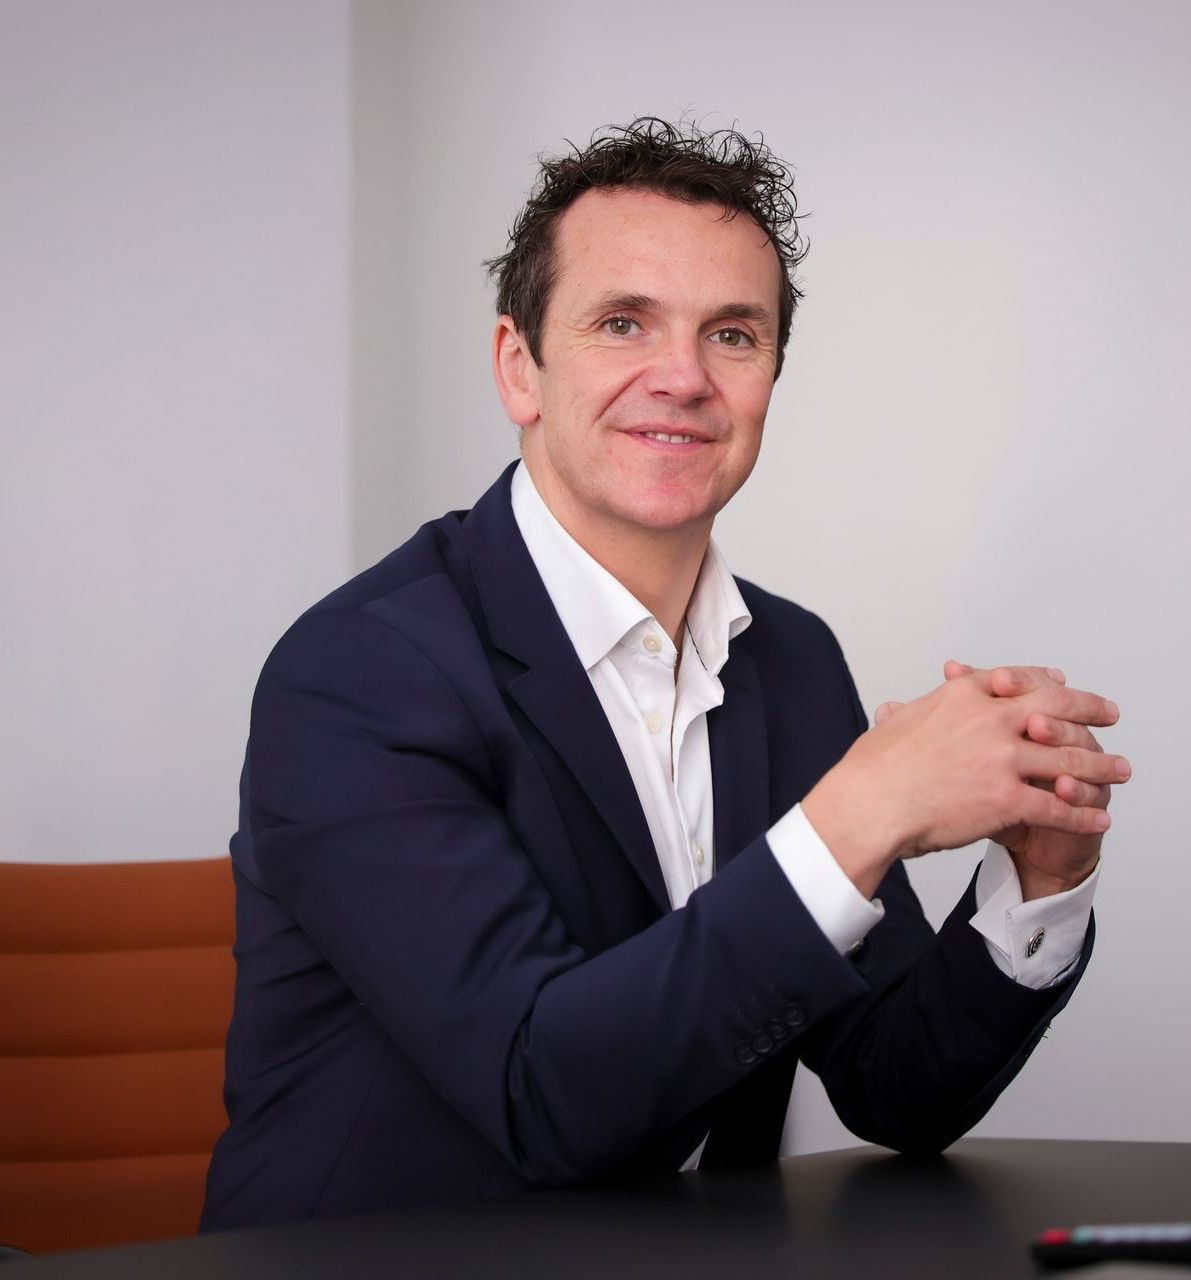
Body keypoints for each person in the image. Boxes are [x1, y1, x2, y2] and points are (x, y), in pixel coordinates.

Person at [201, 118, 1129, 1231]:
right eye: (622, 322)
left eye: (731, 334)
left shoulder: (788, 659)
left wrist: (1040, 875)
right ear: (519, 367)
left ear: (770, 377)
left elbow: (894, 1083)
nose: (681, 377)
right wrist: (864, 806)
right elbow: (540, 1091)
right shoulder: (354, 672)